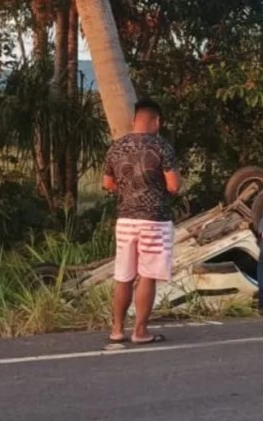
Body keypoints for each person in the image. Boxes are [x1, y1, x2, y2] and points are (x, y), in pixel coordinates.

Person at [102, 99, 183, 345]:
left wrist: (127, 192)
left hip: (125, 220)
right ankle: (140, 331)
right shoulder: (162, 147)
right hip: (155, 220)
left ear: (135, 119)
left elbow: (107, 183)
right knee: (147, 275)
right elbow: (174, 185)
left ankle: (117, 329)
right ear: (156, 121)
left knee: (123, 275)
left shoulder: (116, 147)